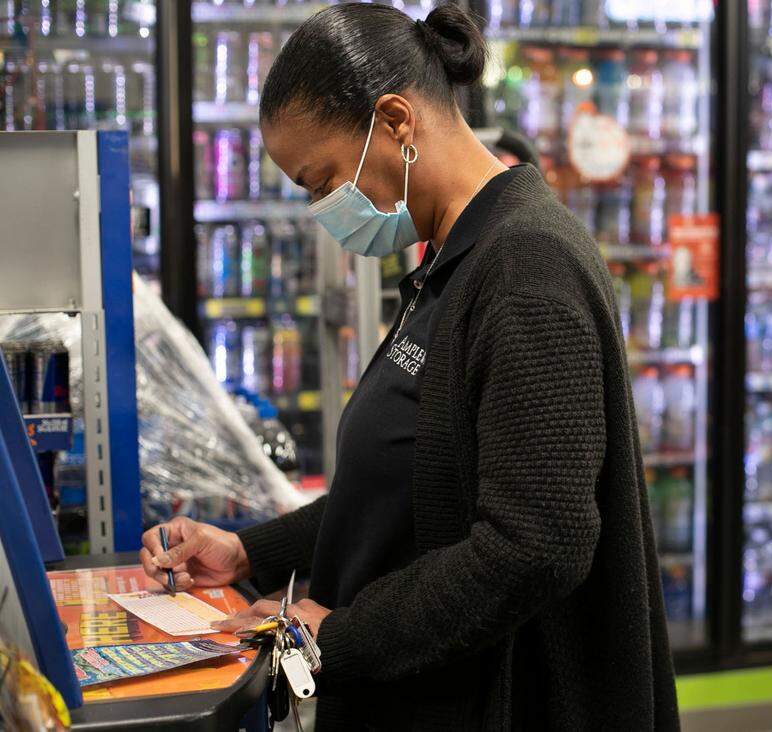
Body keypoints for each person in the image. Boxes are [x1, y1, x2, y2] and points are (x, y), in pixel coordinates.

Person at [140, 3, 679, 729]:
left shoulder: (525, 267)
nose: (323, 207)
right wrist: (248, 552)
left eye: (322, 179)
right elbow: (419, 489)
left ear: (396, 122)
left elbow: (537, 545)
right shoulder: (451, 259)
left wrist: (342, 635)